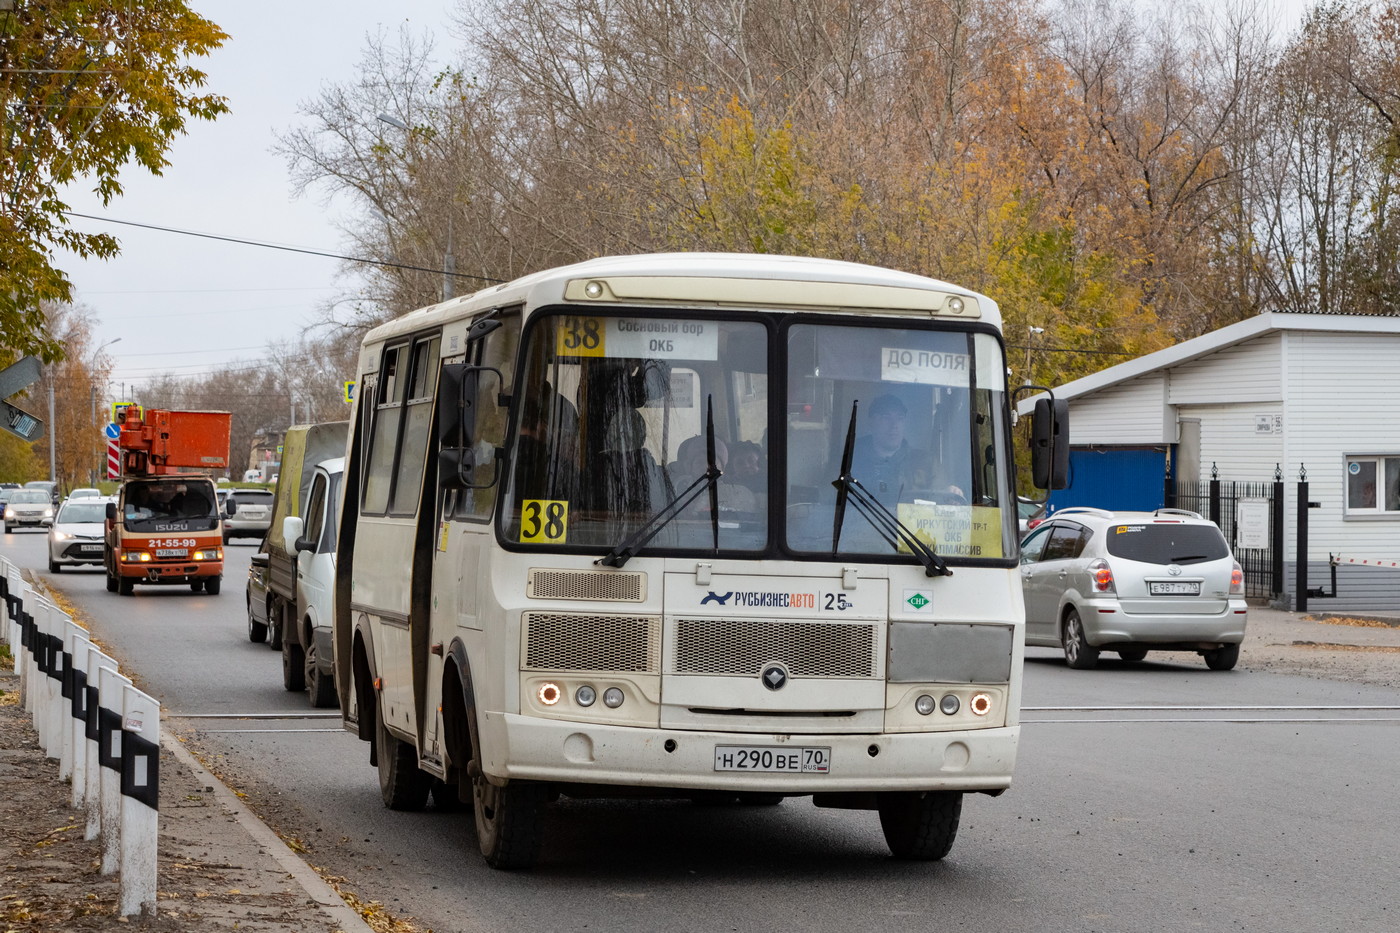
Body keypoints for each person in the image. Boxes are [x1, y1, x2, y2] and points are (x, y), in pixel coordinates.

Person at [839, 393, 964, 508]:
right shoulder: (849, 461)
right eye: (886, 417)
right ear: (871, 422)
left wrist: (950, 495)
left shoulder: (926, 463)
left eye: (900, 418)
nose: (894, 425)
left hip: (911, 532)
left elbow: (941, 500)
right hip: (855, 530)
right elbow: (826, 500)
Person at [672, 435, 757, 514]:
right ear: (689, 467)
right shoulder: (677, 489)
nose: (706, 467)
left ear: (722, 468)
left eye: (712, 463)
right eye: (700, 462)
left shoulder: (738, 493)